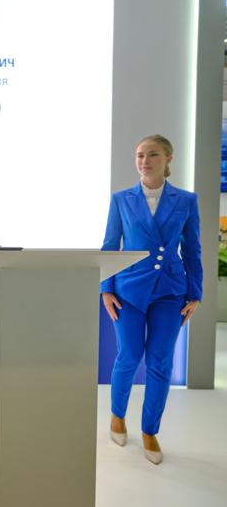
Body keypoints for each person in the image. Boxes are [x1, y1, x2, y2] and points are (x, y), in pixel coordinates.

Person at [101, 134, 202, 464]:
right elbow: (110, 245)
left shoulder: (186, 201)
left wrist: (195, 293)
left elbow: (192, 249)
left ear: (168, 158)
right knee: (129, 356)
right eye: (140, 155)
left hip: (170, 291)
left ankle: (149, 430)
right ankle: (117, 415)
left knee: (160, 361)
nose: (144, 161)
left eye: (153, 154)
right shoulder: (121, 199)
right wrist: (106, 289)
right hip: (128, 289)